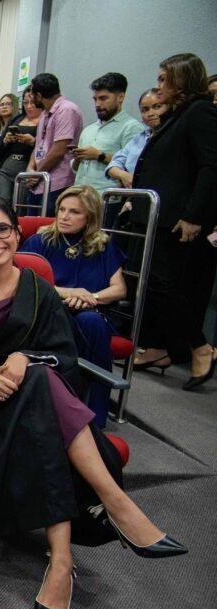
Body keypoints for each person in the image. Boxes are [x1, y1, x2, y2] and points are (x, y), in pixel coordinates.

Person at [0, 197, 186, 609]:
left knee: (40, 382)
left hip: (34, 402)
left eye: (2, 230)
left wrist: (24, 357)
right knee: (44, 395)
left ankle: (62, 560)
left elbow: (65, 358)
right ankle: (114, 505)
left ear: (17, 234)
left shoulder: (39, 288)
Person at [132, 52, 217, 390]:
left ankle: (200, 346)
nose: (158, 85)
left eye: (164, 79)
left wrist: (193, 215)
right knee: (150, 284)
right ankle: (157, 347)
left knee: (167, 286)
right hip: (157, 215)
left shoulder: (200, 112)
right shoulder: (176, 115)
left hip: (178, 217)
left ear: (181, 80)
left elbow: (211, 166)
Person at [21, 185, 125, 425]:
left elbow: (119, 289)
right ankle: (63, 409)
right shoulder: (40, 241)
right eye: (62, 209)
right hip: (51, 311)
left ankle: (94, 415)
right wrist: (68, 292)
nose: (64, 216)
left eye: (74, 212)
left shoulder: (103, 246)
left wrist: (91, 297)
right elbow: (27, 281)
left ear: (90, 217)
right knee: (78, 322)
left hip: (91, 311)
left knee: (90, 321)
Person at [72, 73, 145, 193]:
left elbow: (133, 168)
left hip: (108, 197)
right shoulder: (88, 130)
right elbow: (76, 168)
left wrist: (99, 156)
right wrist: (77, 158)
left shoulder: (132, 127)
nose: (97, 104)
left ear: (120, 97)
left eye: (103, 98)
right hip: (80, 195)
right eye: (95, 99)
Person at [25, 73, 84, 215]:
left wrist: (38, 174)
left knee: (48, 225)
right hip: (38, 182)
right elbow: (39, 145)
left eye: (32, 96)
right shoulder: (45, 113)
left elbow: (59, 150)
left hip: (56, 184)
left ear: (39, 95)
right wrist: (30, 169)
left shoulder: (67, 109)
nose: (31, 100)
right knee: (31, 225)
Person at [0, 87, 42, 204]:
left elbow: (46, 145)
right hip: (7, 166)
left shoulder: (44, 120)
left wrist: (33, 142)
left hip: (27, 167)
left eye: (32, 102)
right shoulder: (17, 118)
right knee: (2, 203)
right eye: (25, 102)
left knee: (20, 205)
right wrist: (6, 141)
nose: (29, 106)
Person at [105, 89, 165, 188]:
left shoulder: (173, 136)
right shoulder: (138, 139)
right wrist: (123, 175)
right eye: (145, 110)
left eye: (156, 107)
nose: (150, 113)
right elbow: (112, 166)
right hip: (134, 192)